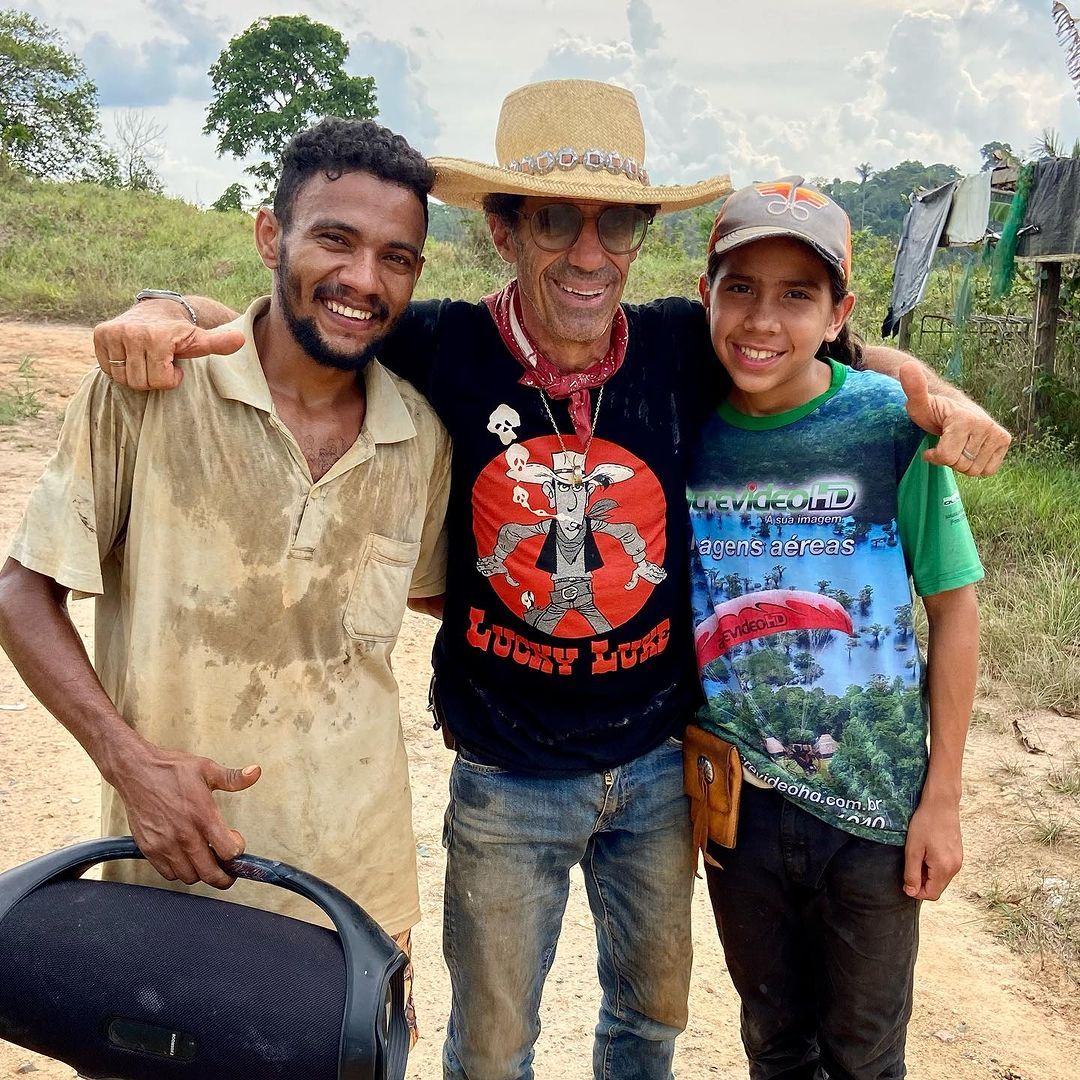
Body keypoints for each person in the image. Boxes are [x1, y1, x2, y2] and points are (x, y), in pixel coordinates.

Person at [90, 81, 1008, 1080]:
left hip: (658, 764)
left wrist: (932, 392)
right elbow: (299, 317)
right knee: (491, 1045)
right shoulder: (441, 346)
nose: (588, 252)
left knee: (649, 1020)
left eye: (617, 224)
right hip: (505, 773)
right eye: (556, 220)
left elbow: (818, 347)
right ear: (504, 228)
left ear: (642, 238)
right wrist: (166, 307)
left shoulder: (681, 345)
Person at [0, 118, 451, 1042]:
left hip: (355, 895)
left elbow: (428, 593)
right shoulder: (151, 392)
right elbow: (22, 592)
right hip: (171, 867)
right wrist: (131, 766)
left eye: (396, 258)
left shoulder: (421, 439)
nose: (365, 279)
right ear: (269, 235)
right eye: (335, 239)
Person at [687, 179, 982, 1079]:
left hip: (877, 812)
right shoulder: (682, 422)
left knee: (864, 1054)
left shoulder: (889, 425)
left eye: (797, 294)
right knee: (775, 1043)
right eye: (740, 287)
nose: (762, 319)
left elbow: (954, 606)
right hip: (742, 809)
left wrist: (941, 800)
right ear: (704, 294)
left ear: (838, 312)